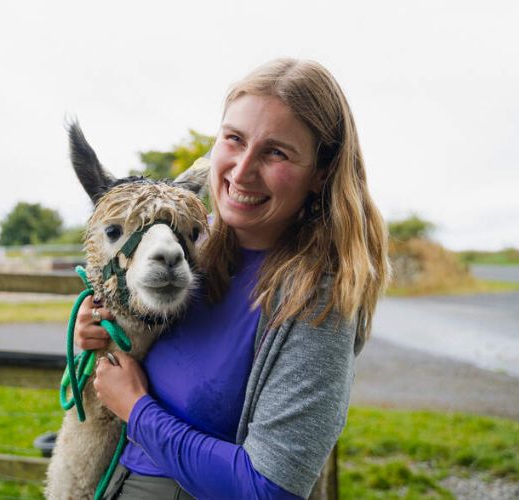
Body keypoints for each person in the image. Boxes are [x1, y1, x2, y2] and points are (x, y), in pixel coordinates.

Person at [75, 58, 389, 499]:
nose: (242, 171)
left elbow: (269, 489)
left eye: (276, 152)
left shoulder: (316, 302)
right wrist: (98, 329)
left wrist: (136, 409)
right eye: (234, 140)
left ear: (321, 173)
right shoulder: (195, 258)